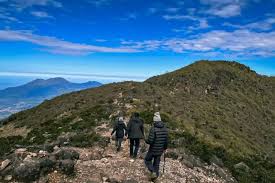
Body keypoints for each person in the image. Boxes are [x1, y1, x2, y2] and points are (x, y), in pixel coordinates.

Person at [145, 112, 168, 180]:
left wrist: (146, 140)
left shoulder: (153, 128)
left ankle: (153, 171)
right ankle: (155, 178)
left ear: (154, 121)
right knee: (157, 163)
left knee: (147, 160)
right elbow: (166, 141)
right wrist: (165, 148)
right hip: (160, 149)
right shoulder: (165, 128)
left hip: (153, 149)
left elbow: (150, 141)